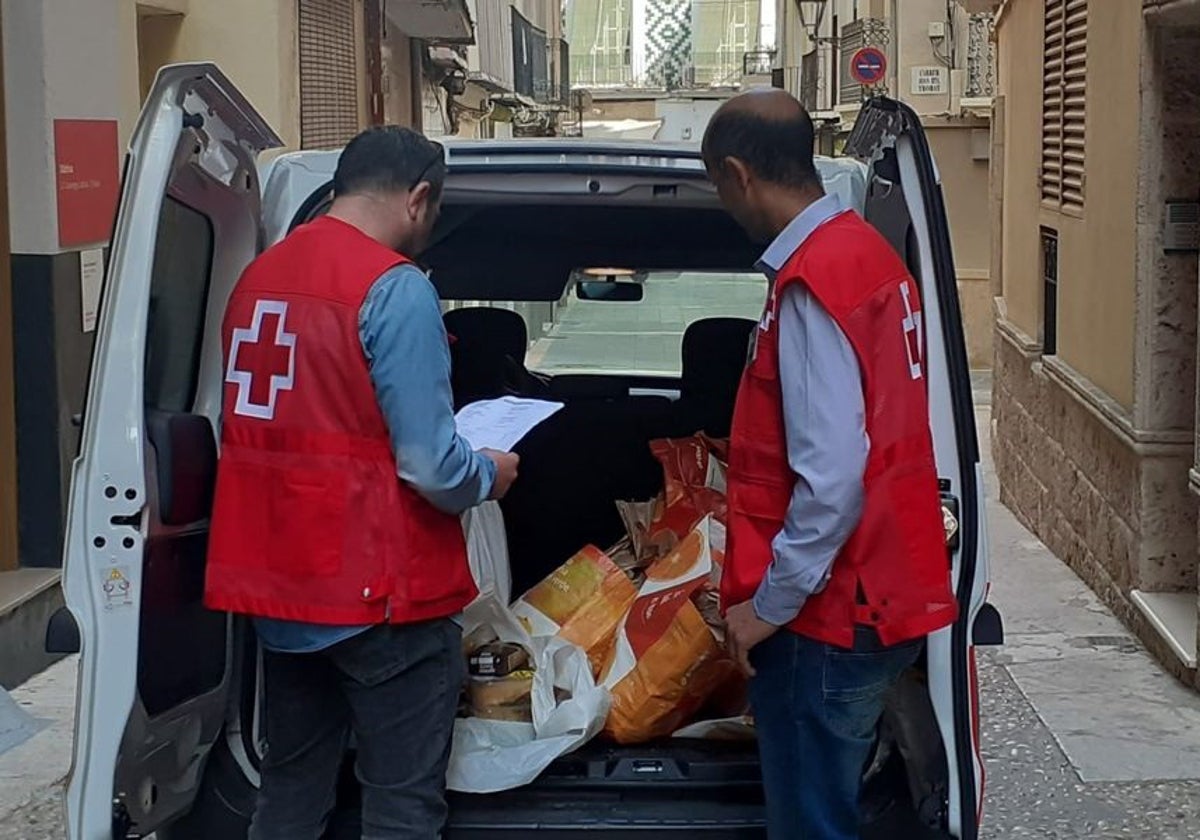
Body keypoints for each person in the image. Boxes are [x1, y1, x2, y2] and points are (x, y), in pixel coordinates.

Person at [203, 126, 519, 840]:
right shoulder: (393, 289)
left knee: (290, 786)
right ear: (418, 198)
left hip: (280, 594)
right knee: (401, 805)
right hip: (379, 595)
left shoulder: (256, 279)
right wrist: (488, 475)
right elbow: (432, 467)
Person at [702, 90, 958, 840]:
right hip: (882, 589)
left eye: (718, 187)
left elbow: (833, 480)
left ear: (737, 173)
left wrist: (766, 608)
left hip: (832, 614)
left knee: (812, 822)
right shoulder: (868, 258)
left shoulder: (814, 281)